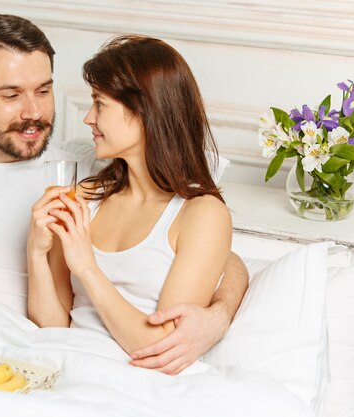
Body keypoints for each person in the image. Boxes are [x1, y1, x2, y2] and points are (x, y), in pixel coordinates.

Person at [0, 14, 247, 375]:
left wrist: (219, 315)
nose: (33, 111)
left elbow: (215, 251)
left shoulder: (81, 173)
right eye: (12, 95)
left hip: (15, 357)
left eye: (44, 90)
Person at [27, 35, 245, 375]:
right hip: (67, 364)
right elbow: (52, 323)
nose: (88, 118)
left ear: (144, 112)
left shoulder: (201, 215)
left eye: (100, 104)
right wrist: (36, 251)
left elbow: (159, 349)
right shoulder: (85, 196)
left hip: (139, 381)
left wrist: (87, 268)